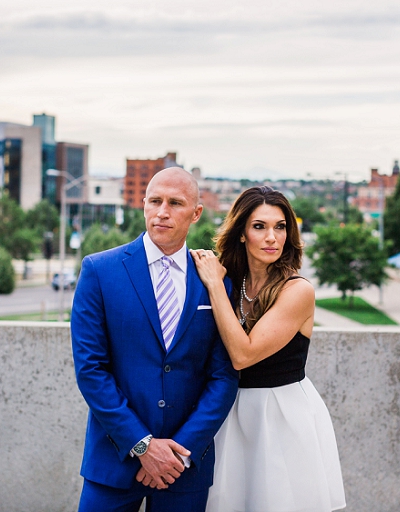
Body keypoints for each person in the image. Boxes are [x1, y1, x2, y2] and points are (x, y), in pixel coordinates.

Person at [70, 167, 238, 512]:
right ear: (143, 205)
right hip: (114, 461)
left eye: (175, 203)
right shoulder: (100, 271)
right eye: (155, 201)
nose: (162, 212)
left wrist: (179, 451)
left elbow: (224, 376)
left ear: (196, 213)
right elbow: (91, 370)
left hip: (184, 469)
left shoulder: (217, 281)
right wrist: (144, 446)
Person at [191, 186, 346, 512]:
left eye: (280, 226)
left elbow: (243, 354)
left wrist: (215, 285)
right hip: (229, 413)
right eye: (259, 226)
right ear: (243, 233)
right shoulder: (230, 282)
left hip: (280, 416)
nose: (272, 237)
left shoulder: (297, 290)